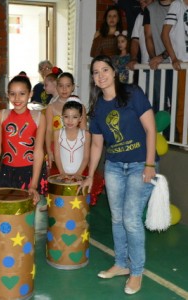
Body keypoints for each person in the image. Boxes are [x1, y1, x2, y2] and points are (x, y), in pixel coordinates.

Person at [80, 55, 158, 295]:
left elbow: (150, 128)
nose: (100, 75)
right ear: (92, 78)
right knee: (117, 218)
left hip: (139, 165)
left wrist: (149, 164)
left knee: (131, 219)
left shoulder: (133, 93)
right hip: (114, 167)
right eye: (95, 72)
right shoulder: (97, 108)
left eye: (105, 69)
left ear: (114, 72)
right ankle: (122, 264)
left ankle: (137, 272)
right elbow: (96, 146)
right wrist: (91, 175)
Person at [0, 74, 47, 204]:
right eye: (12, 94)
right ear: (7, 95)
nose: (17, 98)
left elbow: (38, 151)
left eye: (22, 93)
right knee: (7, 212)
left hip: (30, 172)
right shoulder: (1, 115)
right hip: (7, 172)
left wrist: (33, 185)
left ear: (30, 94)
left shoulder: (39, 117)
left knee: (26, 216)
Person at [45, 72, 87, 170]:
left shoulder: (80, 107)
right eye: (61, 86)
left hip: (75, 149)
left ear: (73, 87)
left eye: (68, 86)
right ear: (56, 87)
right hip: (55, 147)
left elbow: (84, 129)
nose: (64, 89)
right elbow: (48, 131)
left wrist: (85, 152)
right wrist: (49, 151)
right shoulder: (51, 107)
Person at [161, 0, 188, 145]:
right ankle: (184, 139)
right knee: (183, 104)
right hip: (183, 63)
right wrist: (174, 57)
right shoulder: (177, 4)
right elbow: (165, 34)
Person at [143, 0, 173, 113]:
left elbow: (178, 37)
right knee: (156, 102)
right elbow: (148, 36)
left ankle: (177, 130)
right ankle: (157, 131)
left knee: (179, 102)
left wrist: (161, 57)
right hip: (159, 65)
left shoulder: (180, 6)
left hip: (179, 61)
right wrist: (154, 58)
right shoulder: (149, 9)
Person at [53, 97, 90, 178]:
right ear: (62, 117)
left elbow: (86, 157)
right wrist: (62, 172)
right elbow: (57, 155)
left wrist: (79, 173)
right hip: (61, 173)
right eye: (66, 117)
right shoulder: (57, 133)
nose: (70, 121)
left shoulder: (86, 135)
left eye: (74, 117)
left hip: (81, 173)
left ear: (80, 118)